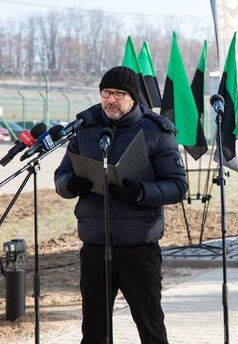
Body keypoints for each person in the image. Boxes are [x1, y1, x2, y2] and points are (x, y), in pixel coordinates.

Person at [54, 66, 188, 344]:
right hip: (94, 245)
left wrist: (140, 192)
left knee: (150, 327)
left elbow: (177, 186)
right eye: (106, 93)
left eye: (118, 94)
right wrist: (70, 185)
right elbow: (61, 176)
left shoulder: (156, 131)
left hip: (138, 248)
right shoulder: (86, 129)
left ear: (133, 97)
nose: (110, 100)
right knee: (93, 332)